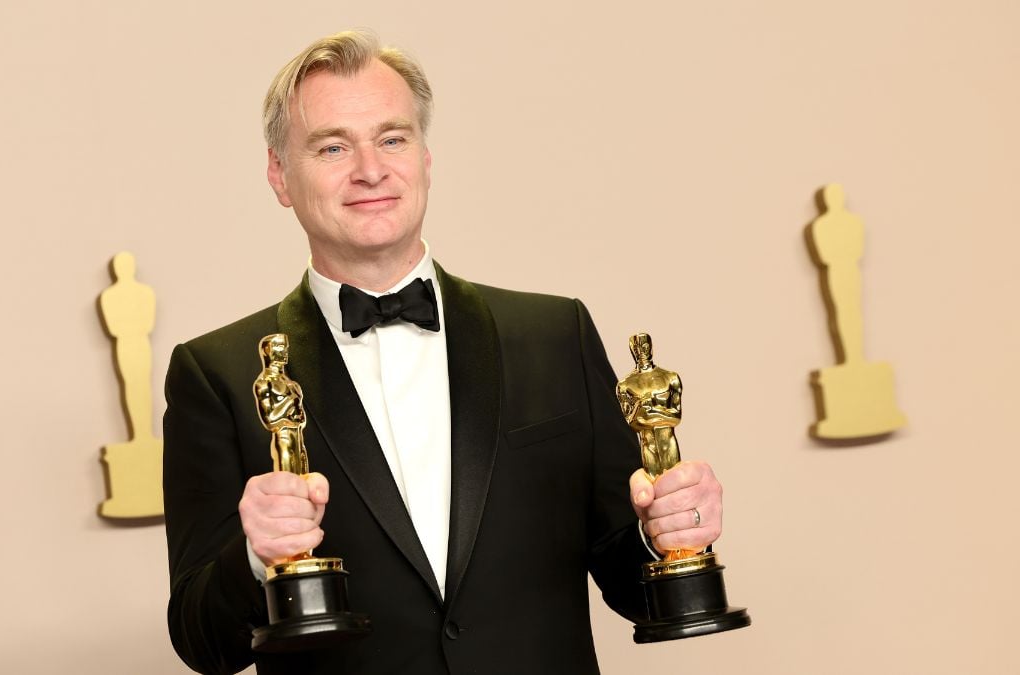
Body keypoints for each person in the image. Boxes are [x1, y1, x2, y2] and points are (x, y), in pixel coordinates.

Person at [162, 29, 725, 675]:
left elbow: (633, 583)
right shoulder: (217, 373)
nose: (370, 168)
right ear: (279, 175)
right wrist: (255, 557)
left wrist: (672, 535)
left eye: (393, 138)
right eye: (333, 145)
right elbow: (202, 642)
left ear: (425, 157)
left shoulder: (553, 333)